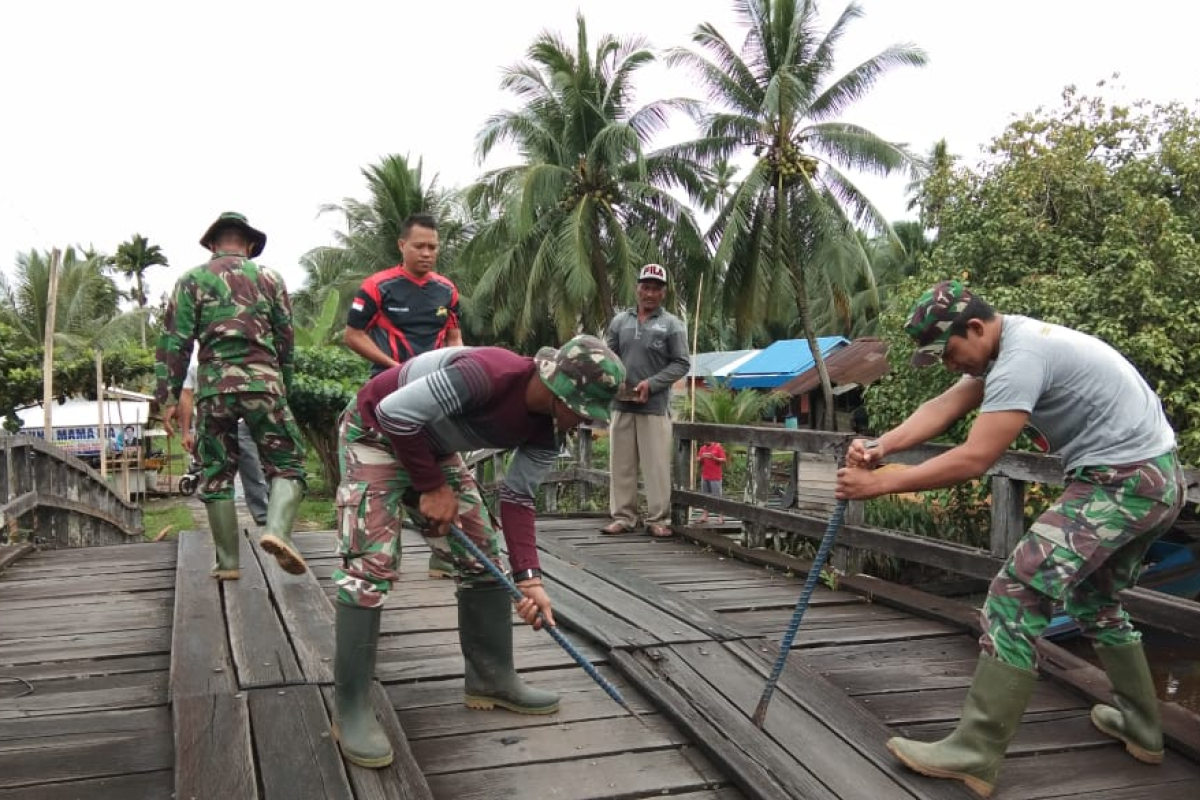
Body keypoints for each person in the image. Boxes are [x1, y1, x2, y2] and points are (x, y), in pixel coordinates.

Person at [835, 280, 1184, 799]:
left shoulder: (1021, 356)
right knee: (1095, 599)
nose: (952, 366)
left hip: (1123, 482)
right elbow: (944, 406)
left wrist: (880, 482)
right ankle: (1141, 727)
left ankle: (975, 752)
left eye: (950, 353)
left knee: (1016, 592)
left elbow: (977, 458)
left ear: (975, 327)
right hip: (1159, 481)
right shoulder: (1008, 348)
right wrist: (881, 446)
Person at [329, 335, 624, 768]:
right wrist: (431, 487)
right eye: (582, 409)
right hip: (373, 432)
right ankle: (350, 708)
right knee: (371, 564)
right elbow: (394, 413)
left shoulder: (548, 433)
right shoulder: (486, 374)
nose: (583, 420)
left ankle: (490, 677)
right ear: (560, 388)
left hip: (429, 446)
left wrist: (530, 581)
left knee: (483, 553)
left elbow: (518, 499)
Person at [155, 211, 309, 580]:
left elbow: (175, 343)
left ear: (212, 244)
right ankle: (276, 529)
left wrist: (168, 399)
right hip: (264, 384)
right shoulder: (271, 278)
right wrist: (281, 383)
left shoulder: (191, 280)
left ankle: (227, 564)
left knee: (216, 472)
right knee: (288, 464)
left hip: (214, 389)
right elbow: (286, 340)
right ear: (250, 245)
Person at [343, 211, 464, 580]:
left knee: (444, 473)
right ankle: (371, 562)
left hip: (436, 395)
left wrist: (460, 365)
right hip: (389, 393)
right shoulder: (379, 286)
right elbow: (353, 335)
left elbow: (454, 335)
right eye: (419, 246)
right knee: (396, 474)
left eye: (433, 247)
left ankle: (444, 555)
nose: (427, 253)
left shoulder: (447, 290)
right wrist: (391, 364)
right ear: (402, 245)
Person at [601, 263, 691, 538]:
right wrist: (611, 381)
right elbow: (607, 356)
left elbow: (681, 363)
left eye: (655, 288)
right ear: (637, 288)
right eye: (645, 287)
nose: (649, 293)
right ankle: (623, 517)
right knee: (621, 465)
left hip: (653, 406)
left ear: (663, 293)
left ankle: (658, 518)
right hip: (621, 404)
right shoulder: (620, 322)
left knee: (657, 466)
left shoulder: (672, 325)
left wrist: (651, 384)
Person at [179, 352, 270, 527]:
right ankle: (225, 526)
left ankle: (263, 520)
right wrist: (186, 431)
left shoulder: (237, 347)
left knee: (250, 469)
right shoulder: (192, 360)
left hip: (239, 420)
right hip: (212, 422)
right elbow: (186, 395)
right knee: (217, 474)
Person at [696, 441, 726, 524]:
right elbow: (698, 459)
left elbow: (724, 460)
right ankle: (705, 516)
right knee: (705, 496)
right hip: (705, 476)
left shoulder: (718, 447)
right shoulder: (702, 448)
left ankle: (721, 517)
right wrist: (701, 458)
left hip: (715, 477)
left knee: (717, 497)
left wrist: (714, 457)